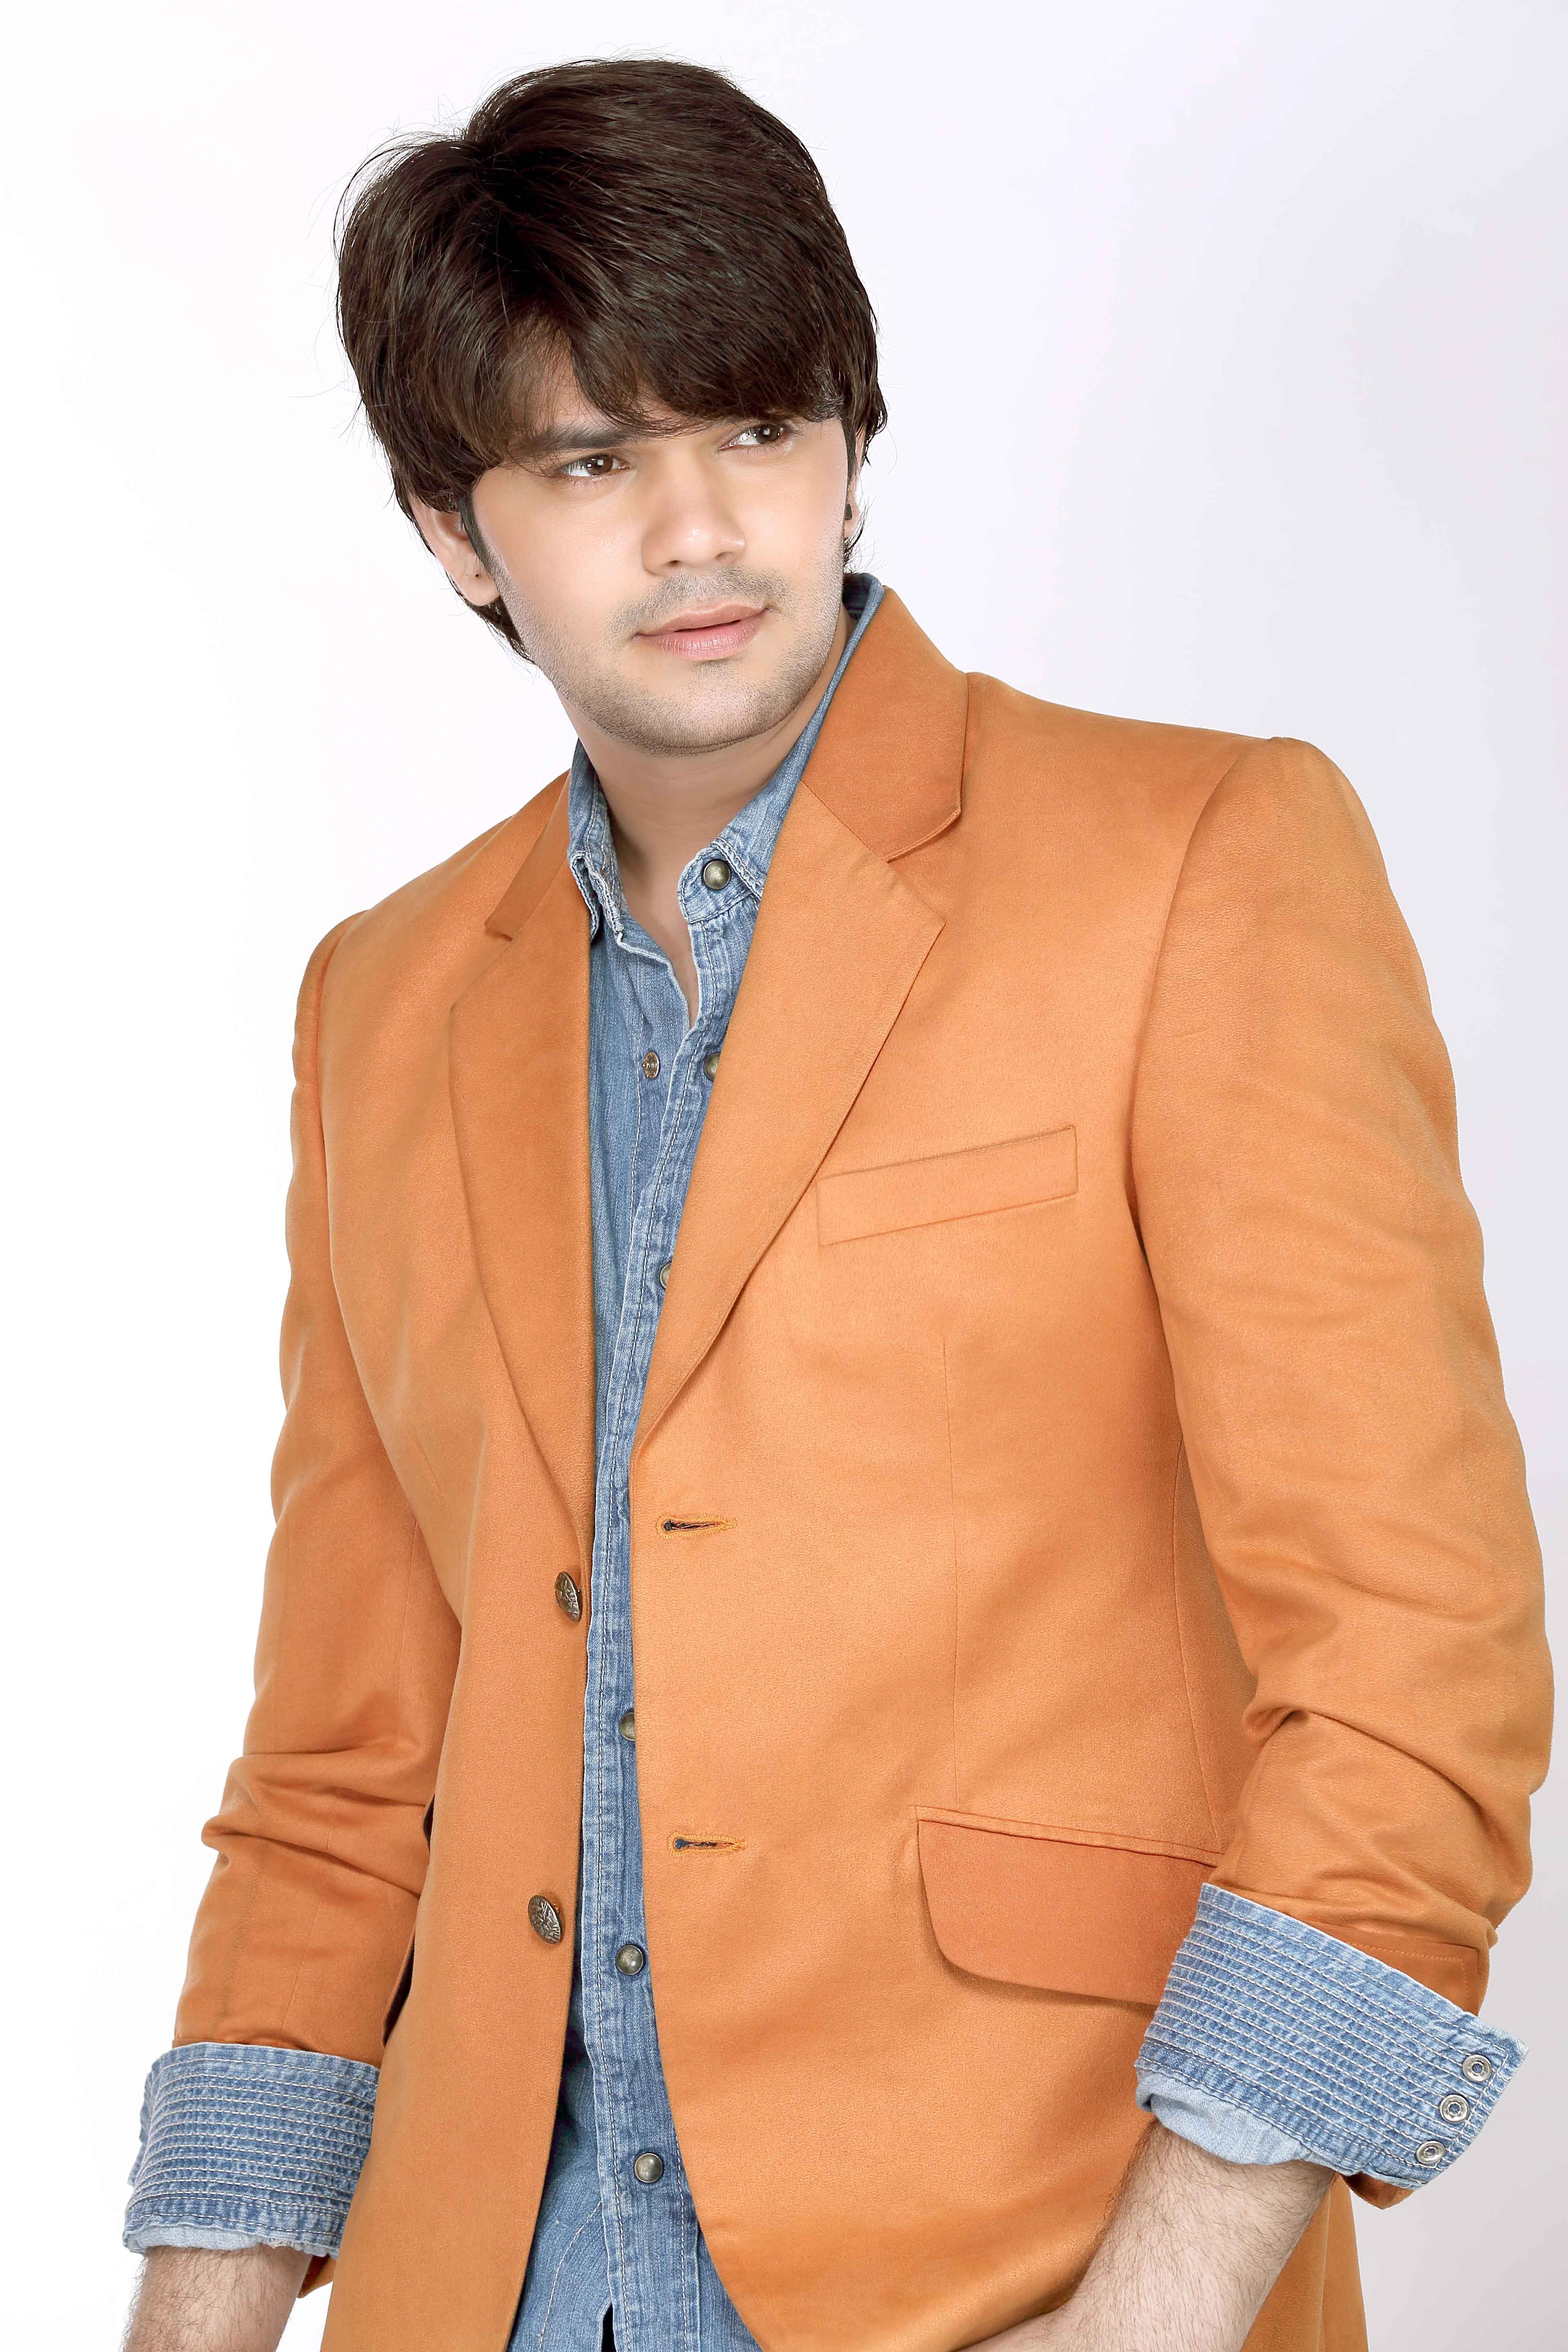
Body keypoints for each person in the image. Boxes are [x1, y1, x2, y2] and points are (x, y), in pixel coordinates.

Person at [120, 55, 1551, 2352]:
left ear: (850, 445)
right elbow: (337, 1770)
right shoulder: (381, 1001)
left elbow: (1411, 1673)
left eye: (761, 430)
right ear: (458, 534)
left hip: (1022, 2262)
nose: (703, 532)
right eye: (595, 462)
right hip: (485, 2291)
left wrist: (1154, 2314)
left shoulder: (1198, 864)